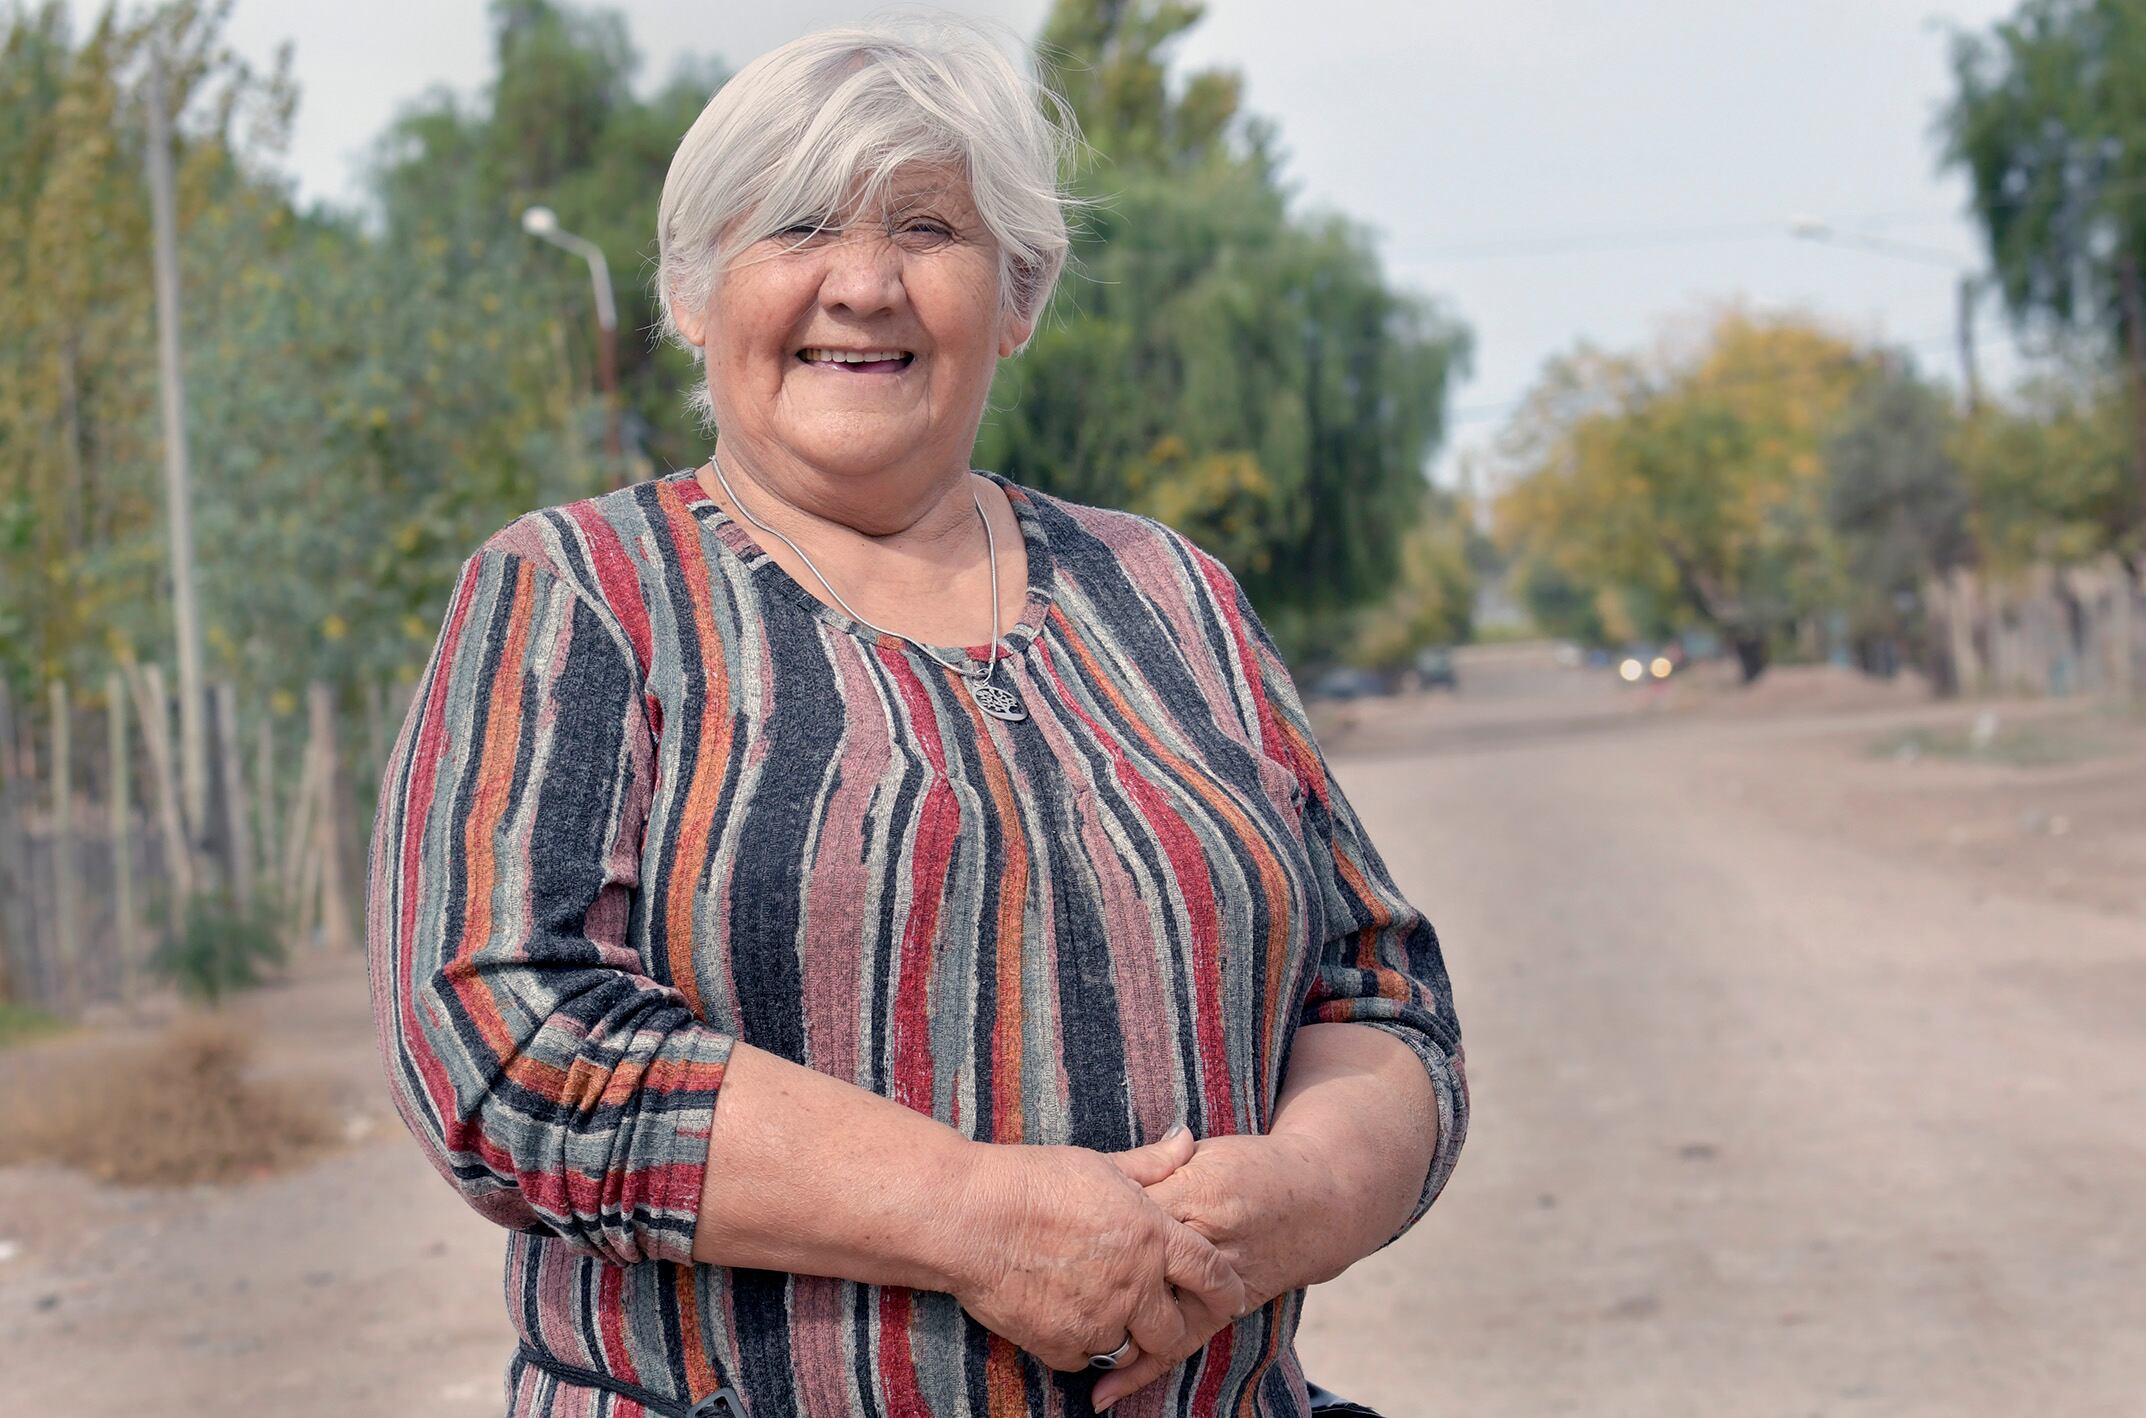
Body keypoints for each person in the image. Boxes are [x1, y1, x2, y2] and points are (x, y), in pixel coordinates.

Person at [365, 14, 1466, 1417]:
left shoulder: (1167, 592)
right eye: (799, 226)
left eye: (930, 229)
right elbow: (502, 1041)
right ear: (694, 292)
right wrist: (978, 1218)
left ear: (1017, 296)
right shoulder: (581, 593)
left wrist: (1293, 1199)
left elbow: (1380, 994)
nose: (865, 284)